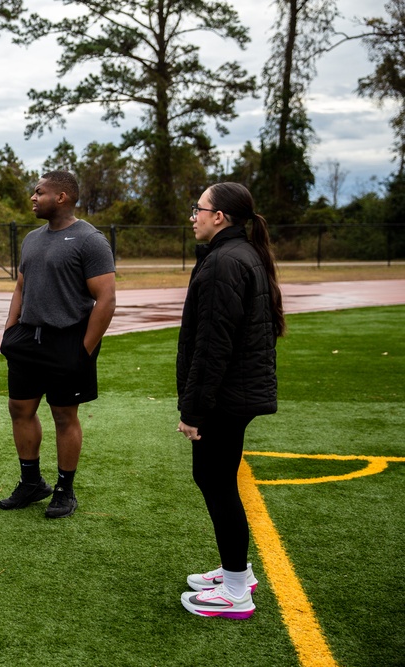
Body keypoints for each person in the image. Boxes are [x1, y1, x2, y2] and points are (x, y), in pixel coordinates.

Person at [177, 182, 285, 620]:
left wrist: (193, 410)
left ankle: (237, 589)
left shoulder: (226, 261)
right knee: (218, 481)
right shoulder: (239, 254)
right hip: (235, 394)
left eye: (198, 209)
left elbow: (213, 345)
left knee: (216, 483)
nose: (193, 216)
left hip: (225, 398)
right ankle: (234, 570)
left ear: (219, 216)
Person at [0, 170, 116, 518]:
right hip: (27, 340)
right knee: (19, 409)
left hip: (68, 340)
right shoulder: (32, 238)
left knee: (64, 416)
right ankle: (32, 482)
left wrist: (83, 351)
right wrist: (10, 330)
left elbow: (106, 300)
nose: (33, 198)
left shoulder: (89, 240)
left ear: (61, 197)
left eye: (39, 192)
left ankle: (65, 489)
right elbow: (21, 286)